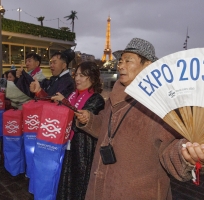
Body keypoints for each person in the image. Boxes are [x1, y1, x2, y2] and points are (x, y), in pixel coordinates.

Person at [76, 38, 204, 199]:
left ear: (148, 65)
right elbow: (106, 127)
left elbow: (171, 146)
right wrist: (90, 120)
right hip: (100, 188)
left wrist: (186, 154)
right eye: (120, 60)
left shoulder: (160, 106)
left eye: (128, 61)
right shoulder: (114, 98)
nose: (121, 65)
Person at [51, 61, 105, 200]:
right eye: (77, 75)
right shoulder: (72, 94)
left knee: (79, 183)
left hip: (83, 149)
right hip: (68, 145)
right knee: (65, 181)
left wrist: (65, 103)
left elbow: (81, 119)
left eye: (82, 75)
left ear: (92, 78)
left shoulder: (97, 99)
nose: (77, 78)